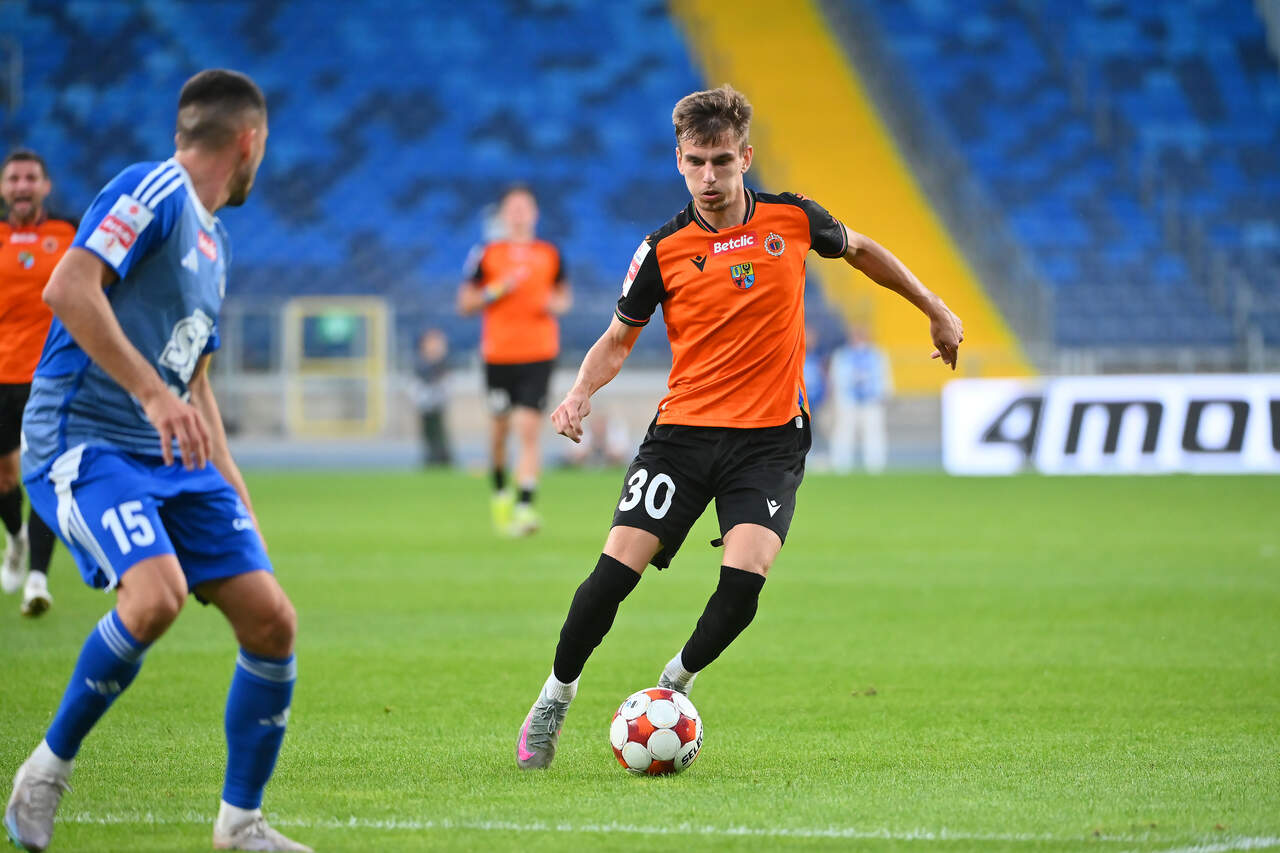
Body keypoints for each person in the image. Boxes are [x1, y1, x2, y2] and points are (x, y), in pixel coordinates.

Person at [514, 84, 963, 770]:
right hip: (682, 438)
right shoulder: (662, 249)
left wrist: (932, 306)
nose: (709, 177)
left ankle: (675, 683)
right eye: (695, 162)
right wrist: (579, 392)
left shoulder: (793, 219)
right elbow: (617, 338)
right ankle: (555, 695)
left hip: (770, 442)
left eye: (722, 161)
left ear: (745, 157)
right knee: (611, 579)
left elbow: (862, 249)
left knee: (744, 584)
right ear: (679, 161)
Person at [4, 70, 311, 853]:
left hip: (173, 455)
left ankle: (240, 823)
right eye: (262, 147)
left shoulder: (216, 241)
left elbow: (193, 384)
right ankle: (44, 770)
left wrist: (238, 498)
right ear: (249, 142)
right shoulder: (154, 190)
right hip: (84, 438)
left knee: (272, 620)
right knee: (157, 596)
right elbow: (69, 288)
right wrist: (149, 394)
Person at [458, 185, 572, 537]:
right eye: (513, 208)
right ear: (504, 215)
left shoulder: (549, 254)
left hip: (538, 353)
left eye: (526, 207)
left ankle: (524, 506)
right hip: (499, 355)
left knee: (528, 428)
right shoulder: (486, 254)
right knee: (498, 433)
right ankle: (499, 492)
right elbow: (465, 303)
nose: (520, 214)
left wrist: (554, 304)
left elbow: (564, 297)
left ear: (534, 213)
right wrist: (497, 290)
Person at [0, 150, 71, 616]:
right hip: (0, 376)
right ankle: (16, 538)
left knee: (46, 473)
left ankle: (38, 581)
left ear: (45, 186)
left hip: (50, 376)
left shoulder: (69, 234)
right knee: (4, 477)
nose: (22, 185)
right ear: (3, 188)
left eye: (31, 178)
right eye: (14, 178)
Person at [829, 326, 893, 474]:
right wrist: (838, 399)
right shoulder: (842, 355)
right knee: (844, 433)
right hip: (848, 401)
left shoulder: (876, 355)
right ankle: (841, 465)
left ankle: (875, 466)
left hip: (871, 401)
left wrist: (884, 394)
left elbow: (884, 376)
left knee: (874, 433)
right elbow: (836, 378)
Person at [412, 328, 453, 467]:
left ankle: (443, 458)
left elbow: (444, 380)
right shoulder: (421, 362)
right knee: (427, 432)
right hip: (425, 401)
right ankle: (431, 458)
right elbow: (419, 381)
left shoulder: (441, 362)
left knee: (439, 431)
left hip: (437, 401)